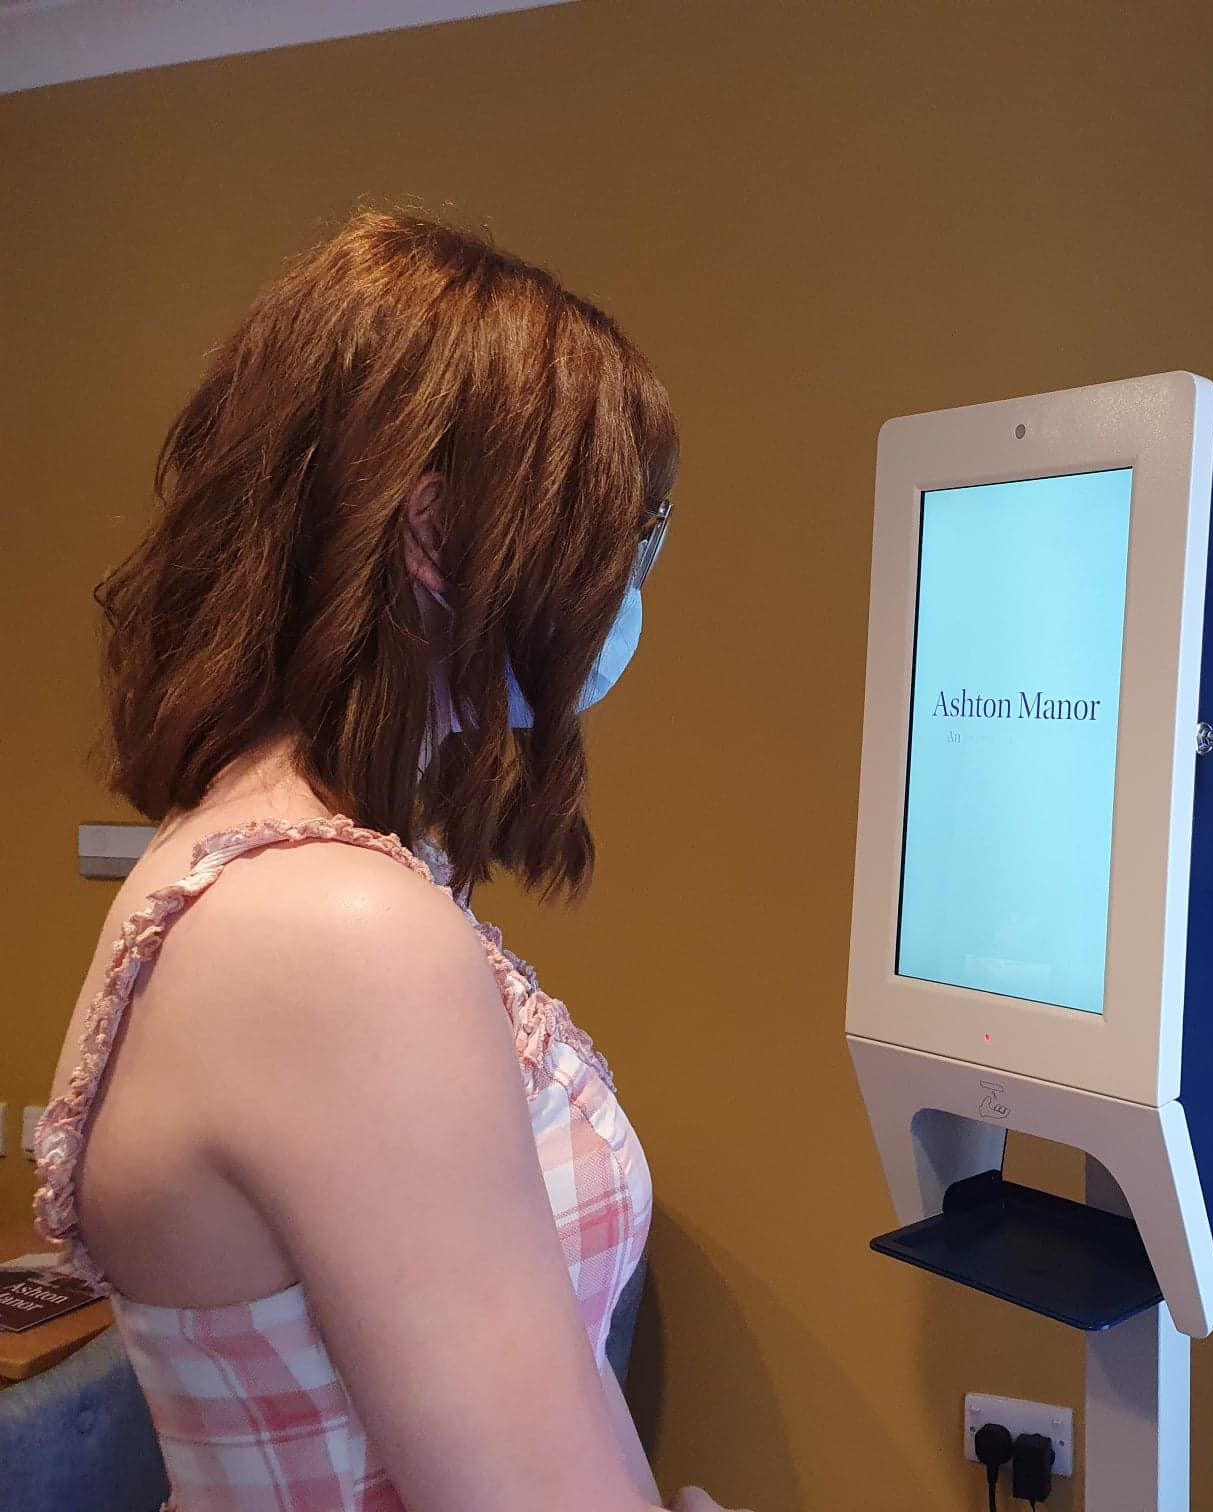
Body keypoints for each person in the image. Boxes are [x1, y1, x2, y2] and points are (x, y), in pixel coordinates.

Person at [31, 212, 745, 1512]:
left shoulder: (282, 863)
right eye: (615, 537)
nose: (626, 585)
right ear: (431, 535)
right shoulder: (330, 932)